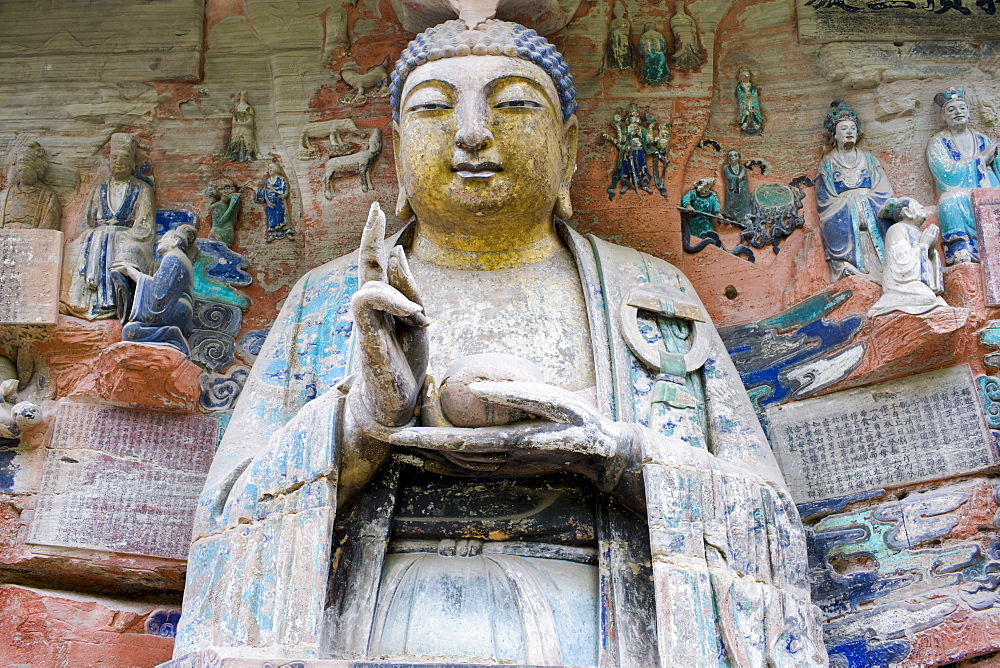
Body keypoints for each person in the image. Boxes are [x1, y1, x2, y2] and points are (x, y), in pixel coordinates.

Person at [173, 18, 826, 667]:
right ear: (397, 149)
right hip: (372, 622)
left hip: (600, 626)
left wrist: (617, 452)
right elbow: (230, 511)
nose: (472, 132)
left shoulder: (650, 293)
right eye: (432, 108)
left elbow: (762, 519)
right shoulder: (327, 300)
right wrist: (359, 426)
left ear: (568, 147)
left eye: (514, 103)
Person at [63, 133, 155, 320]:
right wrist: (94, 233)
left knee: (116, 247)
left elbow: (145, 225)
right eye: (114, 159)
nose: (118, 163)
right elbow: (85, 222)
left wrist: (120, 234)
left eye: (123, 159)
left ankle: (115, 303)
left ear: (131, 163)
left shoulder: (141, 189)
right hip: (96, 237)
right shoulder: (100, 189)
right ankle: (87, 302)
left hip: (127, 238)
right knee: (79, 247)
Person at [816, 101, 894, 283]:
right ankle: (849, 266)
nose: (849, 132)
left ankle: (886, 267)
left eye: (852, 128)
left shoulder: (868, 159)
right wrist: (850, 202)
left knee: (882, 218)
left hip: (870, 202)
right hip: (841, 207)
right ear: (835, 134)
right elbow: (823, 198)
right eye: (843, 129)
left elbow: (883, 189)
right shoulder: (828, 162)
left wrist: (865, 200)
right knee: (837, 223)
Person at [926, 88, 1000, 264]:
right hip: (960, 192)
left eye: (962, 108)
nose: (958, 112)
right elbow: (944, 172)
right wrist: (980, 160)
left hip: (989, 186)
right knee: (948, 201)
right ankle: (959, 248)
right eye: (951, 110)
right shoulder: (939, 141)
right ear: (943, 117)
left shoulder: (983, 140)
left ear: (969, 112)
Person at [114, 224, 199, 355]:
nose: (160, 241)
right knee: (130, 330)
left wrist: (131, 272)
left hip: (174, 310)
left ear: (175, 241)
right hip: (177, 310)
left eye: (164, 239)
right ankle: (170, 334)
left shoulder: (174, 257)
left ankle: (172, 335)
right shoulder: (178, 258)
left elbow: (158, 293)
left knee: (130, 332)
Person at [868, 198, 947, 318]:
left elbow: (926, 261)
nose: (922, 207)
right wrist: (924, 245)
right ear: (907, 212)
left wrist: (930, 251)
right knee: (927, 297)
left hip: (916, 283)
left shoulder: (919, 232)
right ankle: (887, 302)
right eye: (917, 205)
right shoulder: (897, 229)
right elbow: (900, 261)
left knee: (939, 300)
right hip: (900, 282)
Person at [0, 139, 61, 230]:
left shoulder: (48, 196)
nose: (22, 172)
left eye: (27, 168)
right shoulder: (4, 195)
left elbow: (49, 227)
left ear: (37, 169)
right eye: (20, 168)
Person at [255, 162, 295, 242]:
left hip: (279, 202)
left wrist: (275, 191)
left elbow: (284, 191)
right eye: (269, 169)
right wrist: (257, 191)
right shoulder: (268, 181)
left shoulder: (281, 179)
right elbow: (264, 191)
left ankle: (286, 231)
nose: (270, 170)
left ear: (276, 169)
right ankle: (272, 233)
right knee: (272, 217)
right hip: (270, 203)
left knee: (281, 215)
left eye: (272, 168)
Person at [722, 149, 751, 221]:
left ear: (738, 158)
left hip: (742, 190)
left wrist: (738, 179)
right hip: (731, 190)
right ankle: (730, 216)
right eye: (730, 156)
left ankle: (743, 217)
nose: (732, 157)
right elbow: (729, 177)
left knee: (742, 203)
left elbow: (742, 176)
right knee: (731, 203)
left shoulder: (742, 168)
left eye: (735, 155)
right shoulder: (726, 168)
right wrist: (738, 179)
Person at [736, 67, 763, 135]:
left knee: (753, 112)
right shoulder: (740, 86)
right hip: (745, 102)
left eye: (747, 76)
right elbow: (740, 94)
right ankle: (745, 124)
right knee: (746, 112)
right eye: (744, 76)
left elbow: (754, 93)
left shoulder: (752, 86)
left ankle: (755, 124)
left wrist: (751, 95)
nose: (746, 78)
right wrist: (745, 95)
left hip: (752, 101)